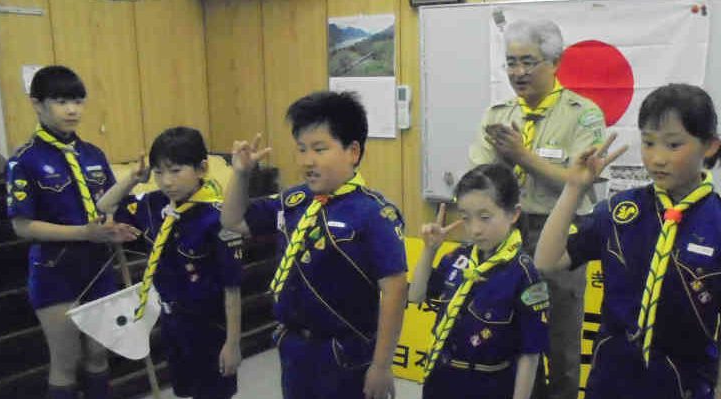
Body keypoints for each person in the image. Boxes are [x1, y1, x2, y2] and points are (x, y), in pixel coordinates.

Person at [534, 83, 721, 399]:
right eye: (648, 143)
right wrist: (574, 187)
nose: (657, 158)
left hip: (683, 386)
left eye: (673, 145)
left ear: (710, 146)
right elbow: (547, 262)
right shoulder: (621, 212)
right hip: (610, 384)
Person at [221, 91, 407, 399]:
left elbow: (395, 290)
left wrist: (382, 365)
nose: (308, 160)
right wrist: (240, 175)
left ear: (353, 151)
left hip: (345, 350)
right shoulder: (294, 201)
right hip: (294, 346)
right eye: (301, 149)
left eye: (320, 149)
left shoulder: (373, 212)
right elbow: (232, 220)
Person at [468, 19, 605, 399]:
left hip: (560, 235)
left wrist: (521, 156)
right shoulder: (497, 115)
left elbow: (578, 181)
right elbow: (482, 183)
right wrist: (505, 161)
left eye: (528, 62)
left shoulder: (583, 114)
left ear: (555, 61)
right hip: (504, 234)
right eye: (511, 63)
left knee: (560, 342)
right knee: (503, 329)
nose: (518, 73)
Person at [5, 65, 140, 399]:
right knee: (66, 360)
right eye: (62, 101)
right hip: (54, 271)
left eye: (78, 101)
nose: (72, 110)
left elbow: (108, 206)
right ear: (37, 104)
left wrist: (116, 226)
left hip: (97, 266)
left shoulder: (93, 154)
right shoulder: (24, 160)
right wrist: (84, 233)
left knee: (97, 354)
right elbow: (22, 226)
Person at [96, 127, 243, 398]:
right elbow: (104, 206)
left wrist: (232, 343)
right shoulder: (153, 205)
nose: (166, 181)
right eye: (159, 172)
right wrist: (133, 178)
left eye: (175, 171)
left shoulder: (218, 217)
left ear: (201, 168)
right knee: (184, 390)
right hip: (172, 322)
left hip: (210, 327)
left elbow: (231, 288)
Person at [409, 164, 550, 399]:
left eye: (485, 217)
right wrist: (429, 250)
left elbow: (531, 352)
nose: (475, 229)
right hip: (442, 378)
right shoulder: (458, 258)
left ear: (513, 214)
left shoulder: (525, 274)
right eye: (466, 218)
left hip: (490, 384)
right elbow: (415, 295)